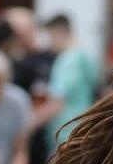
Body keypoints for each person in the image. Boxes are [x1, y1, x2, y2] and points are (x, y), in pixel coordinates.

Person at [42, 13, 101, 152]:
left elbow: (57, 102)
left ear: (60, 33)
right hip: (84, 127)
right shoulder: (88, 57)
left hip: (65, 132)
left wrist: (30, 123)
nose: (49, 43)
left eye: (50, 37)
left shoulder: (66, 61)